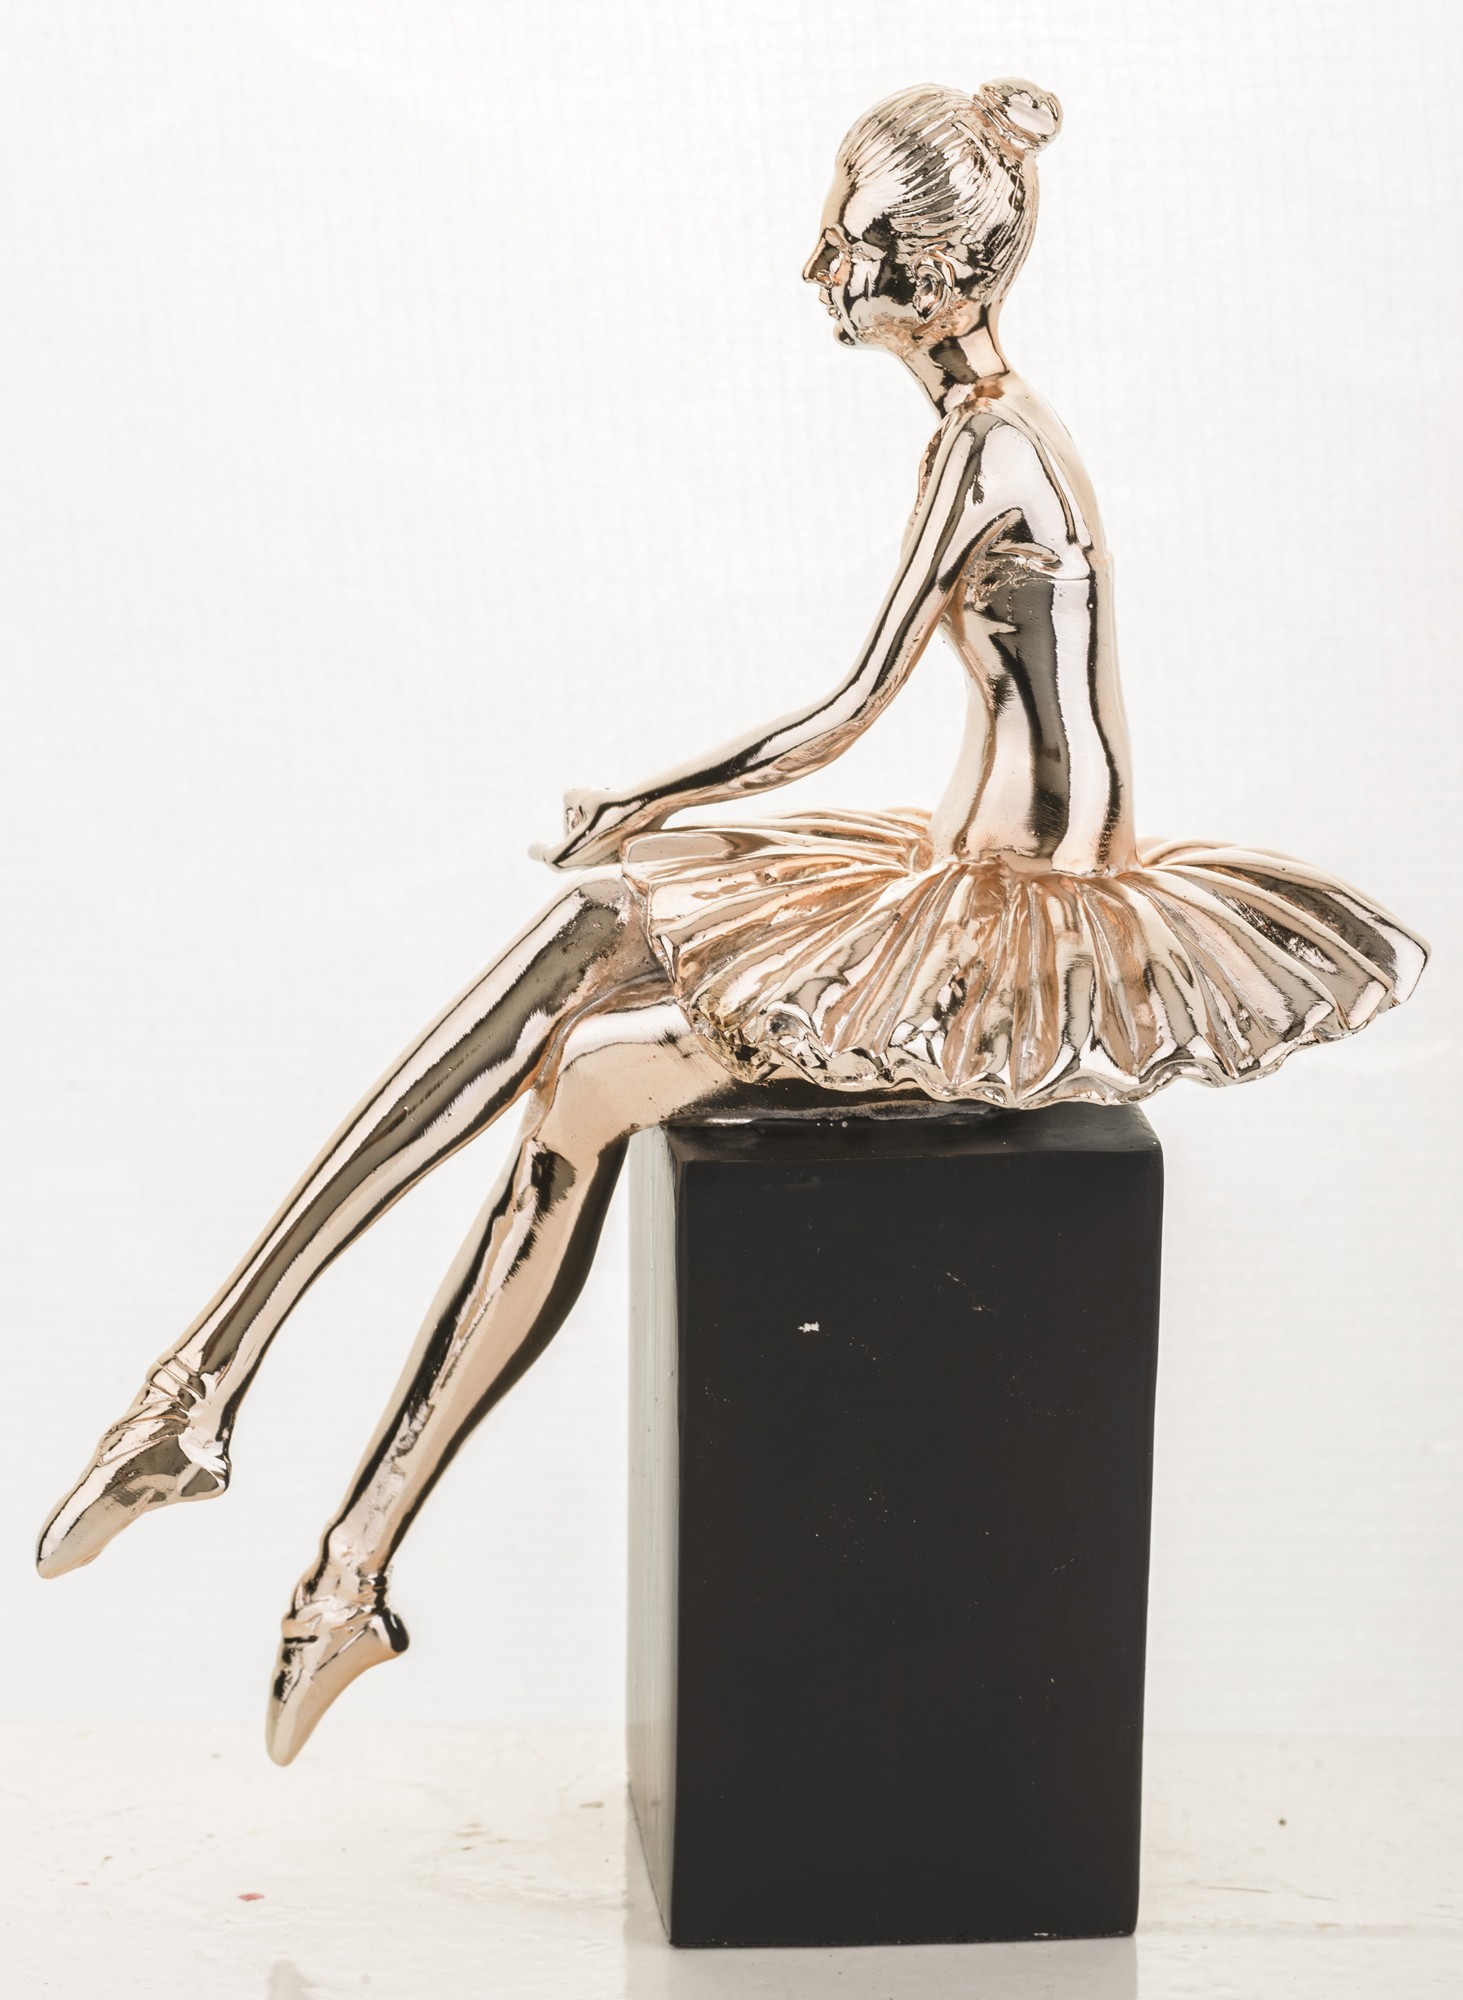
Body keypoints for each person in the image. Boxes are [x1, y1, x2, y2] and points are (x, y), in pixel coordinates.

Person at [36, 80, 1427, 1762]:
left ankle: (346, 1558)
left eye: (849, 243)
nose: (817, 271)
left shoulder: (993, 446)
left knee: (589, 1074)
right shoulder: (981, 429)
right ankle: (199, 1393)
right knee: (588, 931)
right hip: (945, 869)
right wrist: (640, 834)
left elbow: (841, 715)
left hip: (1011, 944)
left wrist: (645, 794)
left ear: (941, 274)